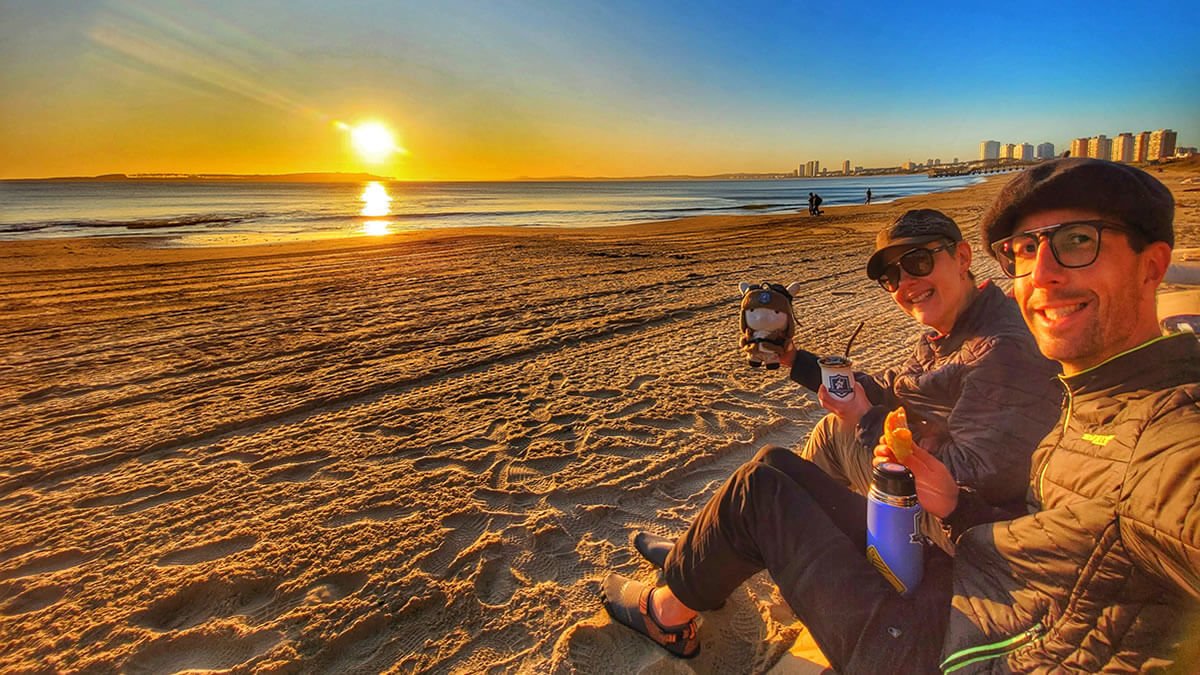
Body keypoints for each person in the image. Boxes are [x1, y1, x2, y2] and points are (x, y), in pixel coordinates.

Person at [600, 158, 1199, 671]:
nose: (1041, 274)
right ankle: (703, 558)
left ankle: (667, 615)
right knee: (775, 466)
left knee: (764, 488)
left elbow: (1161, 484)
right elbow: (900, 401)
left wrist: (866, 422)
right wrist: (798, 362)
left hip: (946, 641)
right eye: (1024, 252)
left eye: (1077, 242)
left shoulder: (1153, 429)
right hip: (968, 574)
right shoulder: (983, 345)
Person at [634, 209, 1061, 562]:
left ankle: (736, 546)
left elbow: (975, 479)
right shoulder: (952, 327)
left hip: (966, 530)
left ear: (963, 257)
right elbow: (889, 388)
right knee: (828, 434)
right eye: (892, 277)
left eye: (918, 262)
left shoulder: (1000, 347)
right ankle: (766, 537)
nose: (905, 284)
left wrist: (867, 420)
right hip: (939, 494)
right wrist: (793, 361)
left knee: (785, 466)